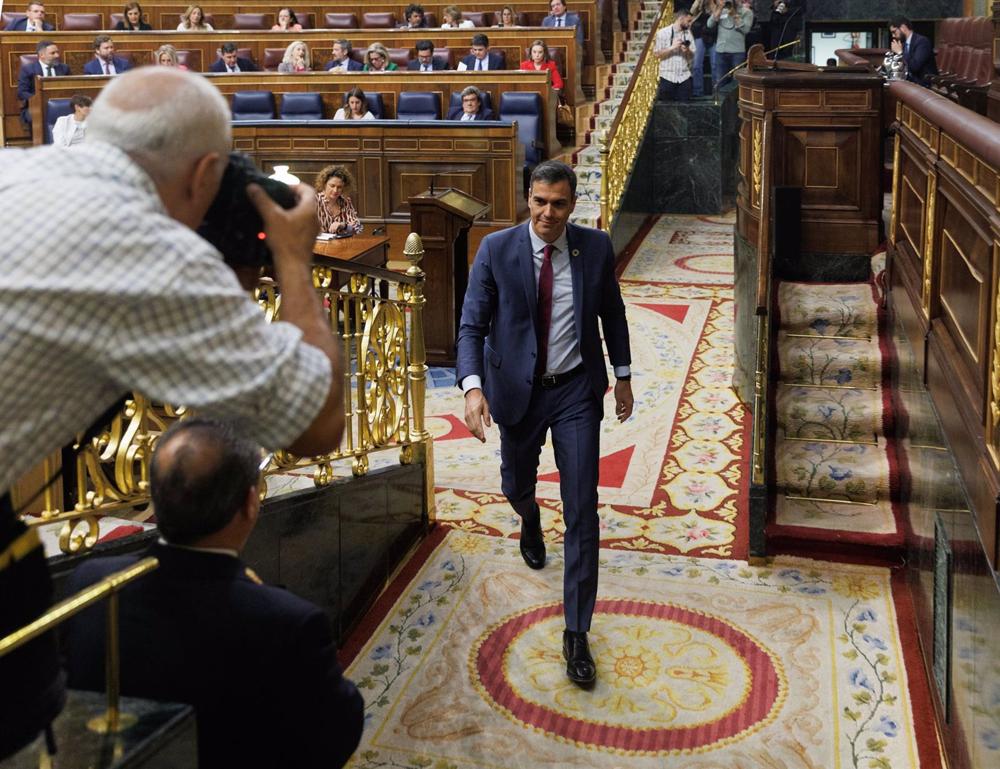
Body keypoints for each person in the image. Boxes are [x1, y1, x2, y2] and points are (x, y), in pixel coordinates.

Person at [0, 66, 344, 760]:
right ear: (206, 170)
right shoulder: (150, 255)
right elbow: (317, 423)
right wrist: (293, 258)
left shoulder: (14, 169)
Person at [66, 419, 364, 769]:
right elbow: (337, 733)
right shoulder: (288, 622)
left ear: (155, 501)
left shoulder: (93, 583)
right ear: (250, 504)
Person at [456, 160, 633, 688]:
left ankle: (576, 632)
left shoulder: (594, 247)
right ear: (527, 199)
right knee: (516, 485)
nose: (547, 213)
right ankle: (529, 518)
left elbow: (612, 313)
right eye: (539, 202)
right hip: (517, 394)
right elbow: (471, 325)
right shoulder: (496, 250)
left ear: (572, 204)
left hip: (576, 390)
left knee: (582, 506)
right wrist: (471, 389)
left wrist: (622, 375)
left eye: (558, 203)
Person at [16, 40, 69, 127]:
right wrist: (38, 99)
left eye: (57, 52)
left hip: (60, 104)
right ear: (41, 55)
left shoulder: (64, 68)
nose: (57, 55)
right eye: (53, 53)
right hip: (37, 105)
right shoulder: (28, 69)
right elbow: (22, 92)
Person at [706, 0, 752, 91]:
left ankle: (735, 103)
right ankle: (719, 103)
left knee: (736, 81)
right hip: (721, 50)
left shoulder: (747, 12)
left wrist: (735, 16)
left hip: (737, 52)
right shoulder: (721, 11)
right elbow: (709, 24)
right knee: (720, 80)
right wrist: (719, 8)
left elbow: (746, 30)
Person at [654, 7, 695, 102]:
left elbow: (692, 55)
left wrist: (687, 50)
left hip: (684, 76)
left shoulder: (688, 34)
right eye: (688, 21)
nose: (690, 24)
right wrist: (672, 48)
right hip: (667, 76)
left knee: (685, 109)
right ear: (681, 18)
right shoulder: (663, 33)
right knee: (666, 110)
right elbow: (656, 54)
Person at [890, 16, 938, 87]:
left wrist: (900, 53)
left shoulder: (922, 42)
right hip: (909, 81)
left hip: (924, 84)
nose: (893, 36)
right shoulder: (903, 44)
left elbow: (914, 67)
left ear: (903, 27)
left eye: (894, 32)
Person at [315, 165, 363, 234]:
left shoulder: (345, 202)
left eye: (339, 187)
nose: (335, 190)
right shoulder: (315, 201)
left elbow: (358, 228)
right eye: (332, 186)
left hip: (342, 243)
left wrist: (344, 226)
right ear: (324, 184)